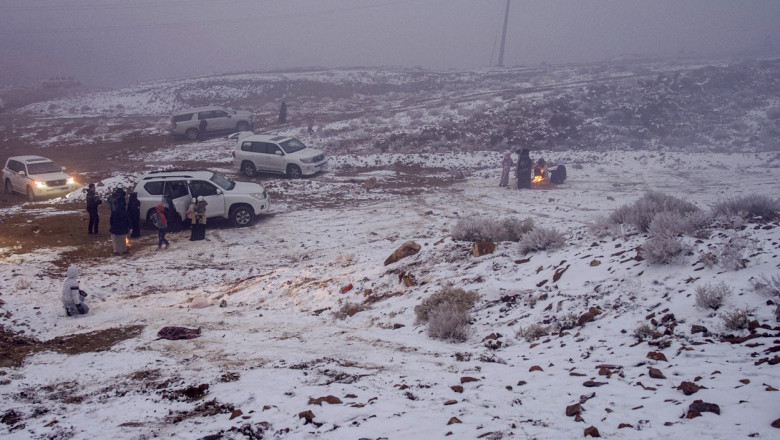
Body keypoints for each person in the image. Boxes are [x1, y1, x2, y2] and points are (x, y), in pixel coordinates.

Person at [108, 188, 130, 255]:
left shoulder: (114, 198)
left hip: (115, 223)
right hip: (122, 224)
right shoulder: (121, 199)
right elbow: (127, 219)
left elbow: (111, 220)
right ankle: (123, 250)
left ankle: (116, 250)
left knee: (116, 239)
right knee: (122, 237)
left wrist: (112, 226)